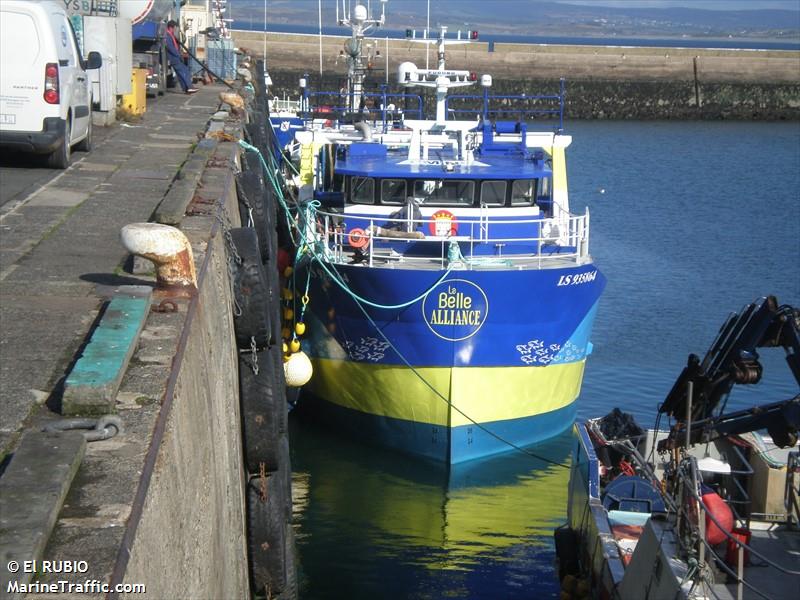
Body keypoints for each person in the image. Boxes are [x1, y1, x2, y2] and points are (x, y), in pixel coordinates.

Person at [165, 20, 197, 94]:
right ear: (170, 28)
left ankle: (186, 88)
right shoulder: (167, 35)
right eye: (174, 28)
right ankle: (189, 87)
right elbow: (170, 48)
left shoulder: (170, 35)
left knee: (181, 73)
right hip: (173, 57)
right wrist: (178, 54)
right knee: (184, 71)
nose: (175, 30)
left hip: (175, 57)